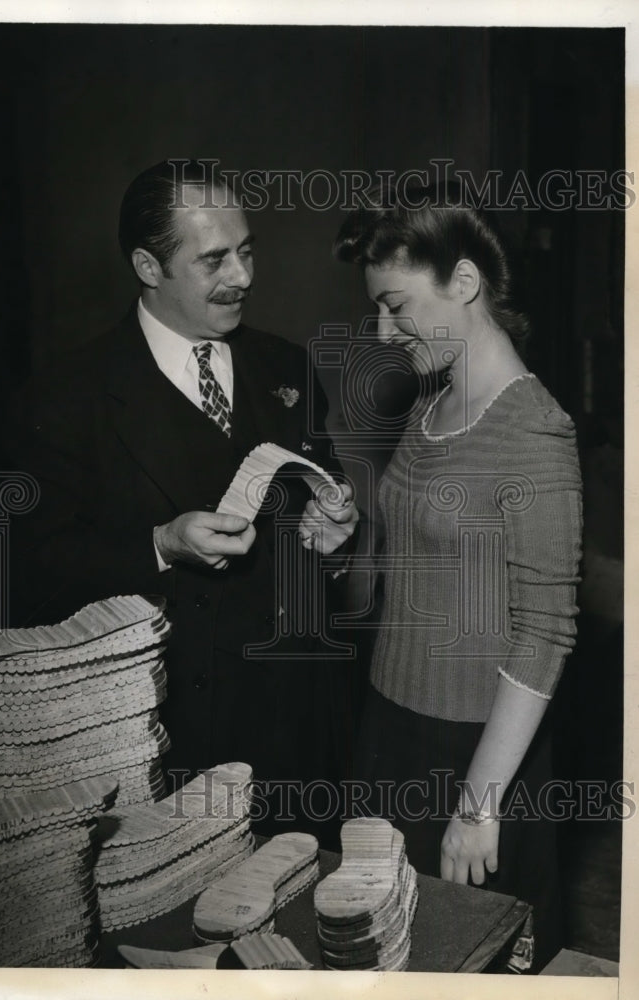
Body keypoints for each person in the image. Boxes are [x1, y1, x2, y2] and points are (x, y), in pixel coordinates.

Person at [6, 159, 358, 841]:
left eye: (248, 251)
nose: (244, 277)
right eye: (215, 260)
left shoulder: (285, 367)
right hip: (167, 733)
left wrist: (334, 535)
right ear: (147, 265)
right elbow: (32, 570)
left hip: (295, 730)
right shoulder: (64, 397)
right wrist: (159, 545)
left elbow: (325, 506)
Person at [334, 184, 582, 971]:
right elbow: (409, 565)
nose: (383, 331)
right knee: (376, 955)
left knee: (465, 961)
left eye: (397, 307)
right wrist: (346, 539)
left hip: (475, 755)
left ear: (464, 284)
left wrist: (478, 804)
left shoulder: (534, 432)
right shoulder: (428, 404)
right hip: (388, 731)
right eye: (375, 309)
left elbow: (545, 633)